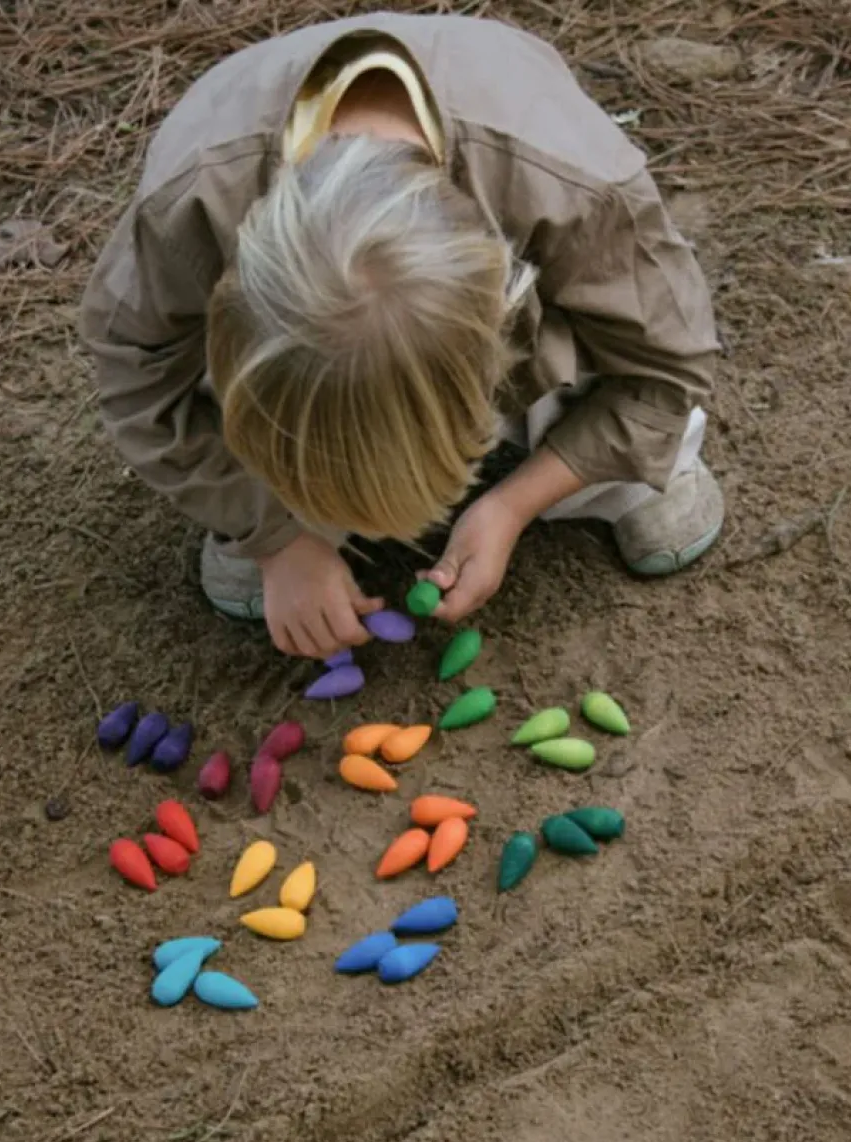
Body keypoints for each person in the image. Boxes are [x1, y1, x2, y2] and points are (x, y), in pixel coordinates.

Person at [79, 12, 722, 661]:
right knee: (228, 429)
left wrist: (512, 505)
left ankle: (622, 480)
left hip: (541, 259)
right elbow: (136, 381)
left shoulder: (574, 188)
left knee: (628, 360)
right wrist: (274, 538)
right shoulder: (185, 212)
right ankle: (273, 512)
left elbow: (670, 364)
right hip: (264, 303)